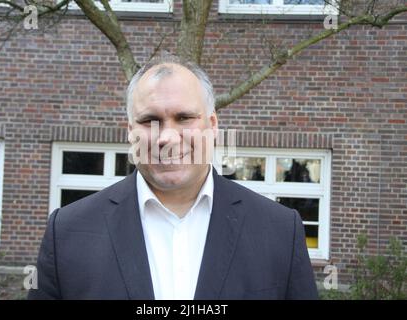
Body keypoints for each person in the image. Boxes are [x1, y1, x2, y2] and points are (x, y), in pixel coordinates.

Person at [28, 55, 318, 300]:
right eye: (149, 121)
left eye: (184, 118)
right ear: (130, 130)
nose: (167, 137)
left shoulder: (280, 230)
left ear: (212, 124)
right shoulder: (66, 233)